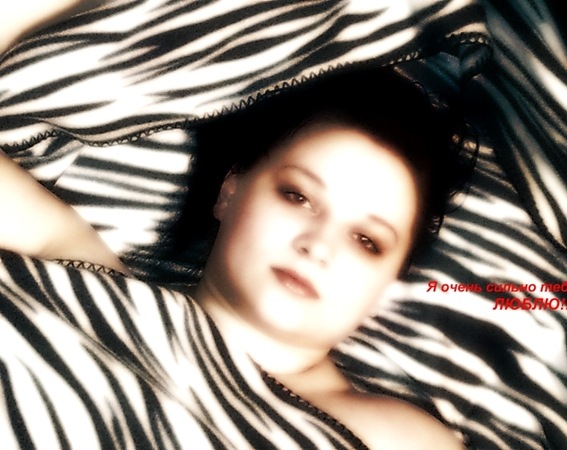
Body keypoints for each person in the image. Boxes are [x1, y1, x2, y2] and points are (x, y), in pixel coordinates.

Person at [1, 2, 472, 448]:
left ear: (391, 279)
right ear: (230, 190)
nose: (318, 245)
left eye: (367, 241)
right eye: (298, 196)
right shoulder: (77, 271)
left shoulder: (394, 438)